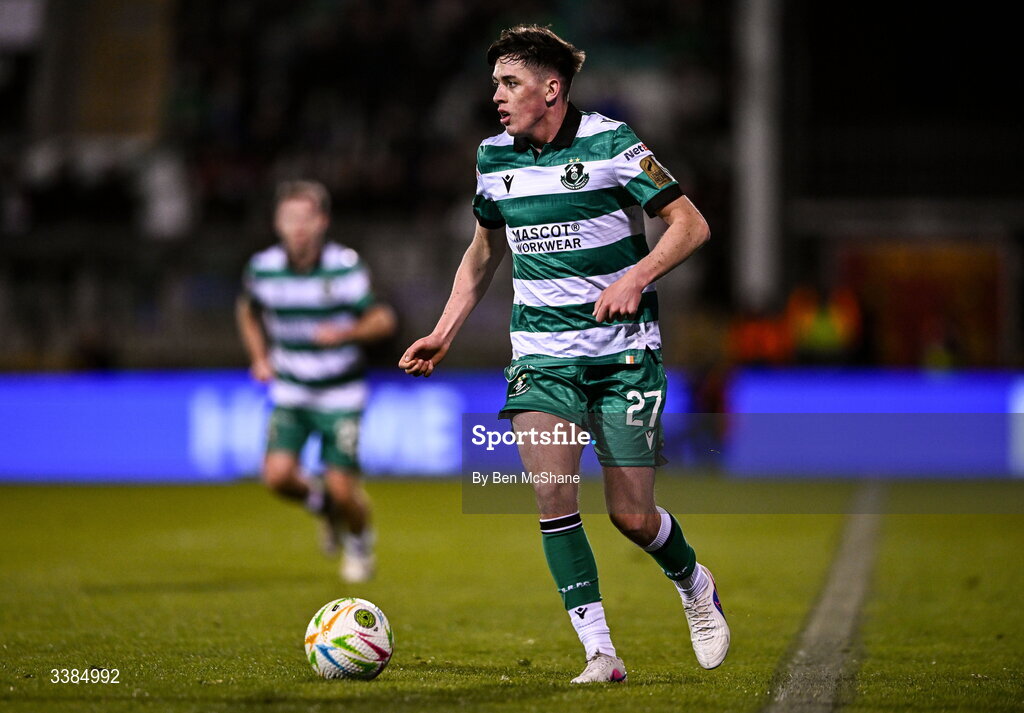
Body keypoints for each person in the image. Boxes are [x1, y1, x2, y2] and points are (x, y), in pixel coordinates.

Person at [399, 25, 729, 682]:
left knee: (631, 515)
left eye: (510, 82)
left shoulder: (613, 142)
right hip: (542, 357)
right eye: (495, 82)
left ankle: (693, 581)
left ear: (551, 89)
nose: (496, 95)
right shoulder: (494, 157)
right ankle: (600, 651)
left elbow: (690, 223)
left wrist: (635, 277)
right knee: (553, 494)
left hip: (623, 354)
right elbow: (483, 251)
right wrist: (445, 328)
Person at [237, 180, 396, 582]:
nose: (298, 227)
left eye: (307, 218)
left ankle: (360, 544)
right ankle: (322, 505)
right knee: (276, 477)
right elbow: (247, 309)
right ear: (277, 222)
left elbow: (383, 320)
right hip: (291, 389)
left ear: (322, 221)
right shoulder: (263, 268)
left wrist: (344, 334)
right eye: (290, 218)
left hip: (340, 393)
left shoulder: (344, 267)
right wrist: (259, 358)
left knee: (345, 490)